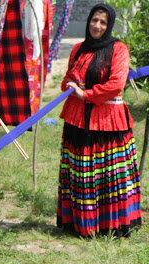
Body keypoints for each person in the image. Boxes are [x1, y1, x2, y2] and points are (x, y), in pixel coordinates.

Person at [57, 3, 142, 238]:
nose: (97, 25)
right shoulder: (77, 49)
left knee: (108, 175)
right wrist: (72, 85)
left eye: (103, 22)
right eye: (94, 20)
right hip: (77, 121)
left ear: (109, 25)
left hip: (107, 122)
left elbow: (115, 84)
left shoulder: (118, 50)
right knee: (80, 173)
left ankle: (109, 224)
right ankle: (80, 223)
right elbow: (67, 81)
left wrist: (86, 94)